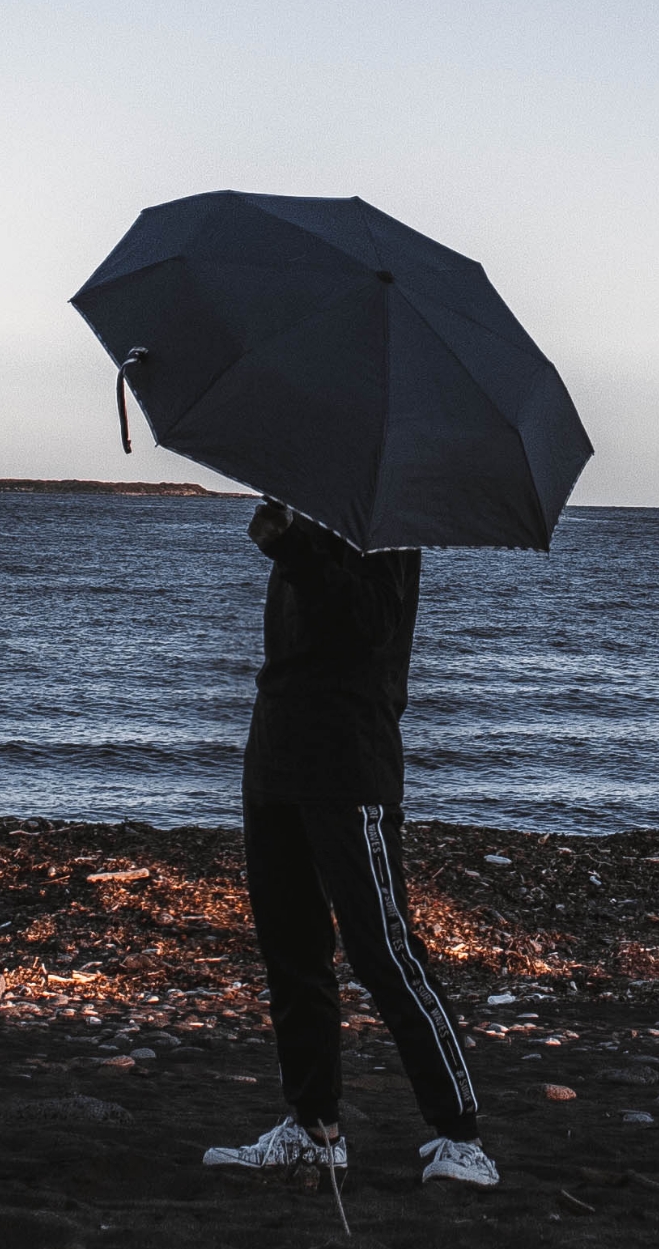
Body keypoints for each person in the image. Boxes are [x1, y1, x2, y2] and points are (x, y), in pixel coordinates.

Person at [200, 497, 495, 1189]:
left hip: (349, 762)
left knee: (383, 951)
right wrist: (291, 540)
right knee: (291, 952)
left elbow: (371, 624)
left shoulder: (384, 524)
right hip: (276, 757)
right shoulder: (305, 511)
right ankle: (313, 1129)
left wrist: (291, 547)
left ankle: (461, 1138)